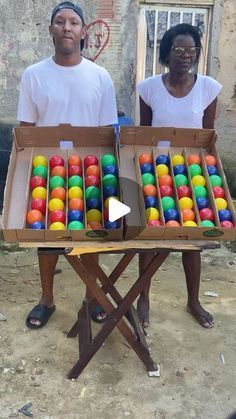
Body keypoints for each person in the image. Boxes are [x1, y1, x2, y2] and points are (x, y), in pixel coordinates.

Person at [17, 1, 118, 328]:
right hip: (47, 169)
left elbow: (106, 133)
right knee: (46, 236)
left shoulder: (100, 76)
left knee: (92, 233)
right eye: (59, 21)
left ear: (83, 31)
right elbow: (26, 130)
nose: (66, 27)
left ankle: (92, 299)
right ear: (50, 30)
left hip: (90, 168)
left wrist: (108, 178)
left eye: (73, 22)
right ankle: (46, 300)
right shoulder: (33, 75)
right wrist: (22, 174)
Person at [136, 23, 222, 329]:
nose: (186, 56)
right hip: (154, 171)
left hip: (194, 173)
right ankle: (142, 297)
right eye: (179, 50)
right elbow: (143, 136)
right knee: (149, 238)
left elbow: (206, 139)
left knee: (193, 239)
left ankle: (193, 300)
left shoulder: (208, 88)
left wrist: (209, 178)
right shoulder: (148, 88)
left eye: (192, 50)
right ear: (166, 54)